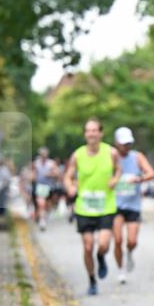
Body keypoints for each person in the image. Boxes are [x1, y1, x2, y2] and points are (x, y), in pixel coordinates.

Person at [63, 118, 122, 296]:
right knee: (88, 246)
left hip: (106, 206)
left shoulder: (111, 152)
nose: (92, 134)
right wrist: (70, 187)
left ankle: (101, 256)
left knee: (103, 244)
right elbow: (68, 176)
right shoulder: (78, 154)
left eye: (95, 130)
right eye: (88, 131)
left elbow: (119, 170)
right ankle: (92, 280)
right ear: (85, 134)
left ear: (101, 133)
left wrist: (115, 179)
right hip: (84, 207)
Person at [112, 127, 154, 284]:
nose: (126, 146)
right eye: (123, 143)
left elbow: (151, 173)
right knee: (117, 240)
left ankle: (129, 252)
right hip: (115, 205)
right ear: (116, 143)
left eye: (128, 143)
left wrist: (138, 179)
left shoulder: (137, 157)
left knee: (132, 241)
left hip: (133, 205)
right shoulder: (111, 157)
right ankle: (121, 269)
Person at [31, 147, 60, 230]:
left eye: (45, 154)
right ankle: (42, 220)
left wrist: (50, 174)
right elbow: (33, 174)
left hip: (49, 186)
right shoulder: (36, 163)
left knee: (48, 205)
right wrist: (32, 177)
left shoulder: (51, 163)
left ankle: (44, 216)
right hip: (40, 186)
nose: (43, 155)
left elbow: (57, 174)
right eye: (42, 154)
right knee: (41, 203)